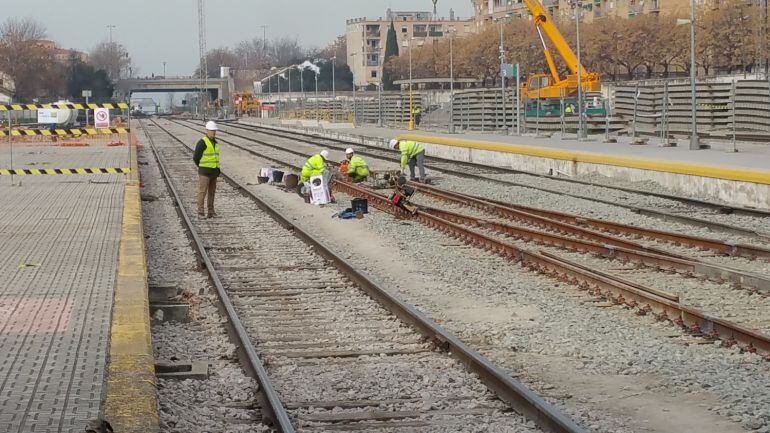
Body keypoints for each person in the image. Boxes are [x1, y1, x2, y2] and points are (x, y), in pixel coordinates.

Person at [193, 121, 220, 218]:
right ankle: (200, 212)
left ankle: (211, 212)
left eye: (215, 131)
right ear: (207, 131)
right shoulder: (202, 142)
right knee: (202, 192)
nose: (214, 132)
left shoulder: (215, 143)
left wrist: (217, 170)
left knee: (212, 193)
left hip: (214, 172)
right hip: (205, 172)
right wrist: (201, 166)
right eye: (212, 131)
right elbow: (196, 157)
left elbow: (216, 158)